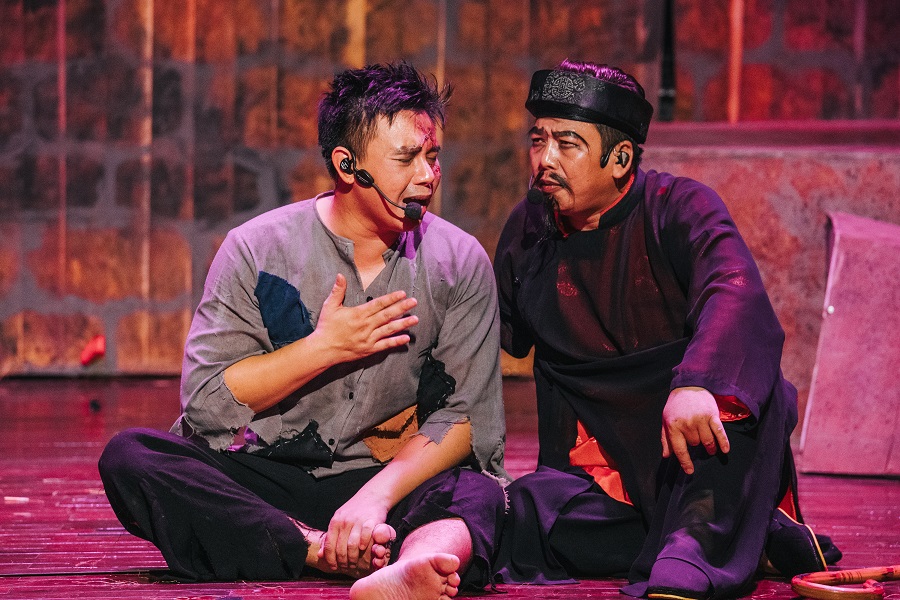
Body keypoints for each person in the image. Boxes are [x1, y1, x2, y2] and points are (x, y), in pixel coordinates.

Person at [99, 61, 508, 600]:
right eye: (407, 158)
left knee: (478, 491)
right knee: (132, 456)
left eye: (432, 157)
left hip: (386, 483)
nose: (428, 175)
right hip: (267, 478)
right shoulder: (256, 248)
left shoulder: (459, 262)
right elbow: (206, 402)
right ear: (347, 165)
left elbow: (464, 418)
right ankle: (315, 549)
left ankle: (412, 565)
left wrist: (374, 499)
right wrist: (323, 348)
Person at [492, 60, 840, 599]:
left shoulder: (678, 207)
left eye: (567, 143)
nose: (545, 160)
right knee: (526, 513)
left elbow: (733, 290)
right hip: (602, 460)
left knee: (731, 404)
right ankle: (748, 536)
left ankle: (695, 545)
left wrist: (696, 382)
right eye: (538, 141)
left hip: (683, 432)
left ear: (620, 159)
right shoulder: (529, 225)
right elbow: (498, 332)